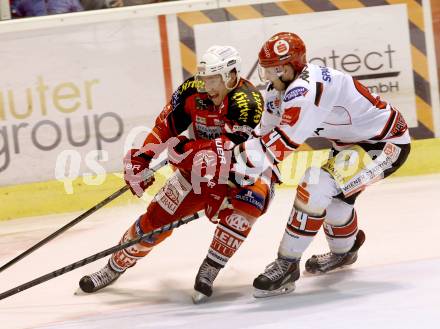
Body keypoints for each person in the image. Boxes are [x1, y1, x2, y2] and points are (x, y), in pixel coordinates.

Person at [78, 45, 269, 303]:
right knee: (155, 221)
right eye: (205, 78)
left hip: (240, 171)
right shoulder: (192, 91)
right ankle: (114, 266)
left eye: (215, 79)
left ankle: (210, 268)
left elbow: (231, 151)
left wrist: (189, 150)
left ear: (231, 75)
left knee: (248, 205)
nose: (208, 87)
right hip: (197, 170)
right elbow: (165, 127)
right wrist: (142, 157)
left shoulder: (247, 102)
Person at [226, 32, 411, 297]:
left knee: (314, 186)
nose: (267, 76)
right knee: (333, 204)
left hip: (385, 144)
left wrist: (233, 171)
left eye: (274, 69)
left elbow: (282, 144)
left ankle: (287, 263)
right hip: (352, 144)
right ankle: (345, 252)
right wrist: (236, 169)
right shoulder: (277, 91)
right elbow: (260, 135)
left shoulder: (306, 90)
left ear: (292, 67)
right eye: (266, 69)